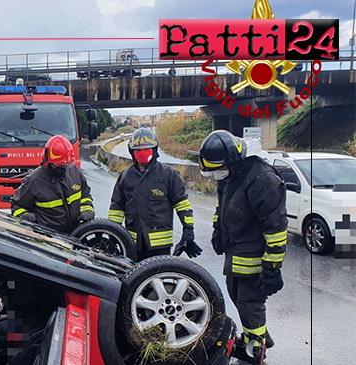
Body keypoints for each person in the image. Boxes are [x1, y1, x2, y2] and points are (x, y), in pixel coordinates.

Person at [199, 130, 287, 364]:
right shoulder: (230, 176)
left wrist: (273, 267)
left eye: (219, 167)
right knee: (236, 297)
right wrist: (217, 230)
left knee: (250, 304)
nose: (217, 173)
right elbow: (222, 207)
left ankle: (255, 351)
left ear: (233, 159)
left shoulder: (263, 180)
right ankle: (256, 337)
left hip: (255, 257)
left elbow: (276, 228)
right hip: (235, 253)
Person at [109, 128, 201, 261]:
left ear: (155, 150)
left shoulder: (169, 175)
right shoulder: (125, 177)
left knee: (158, 280)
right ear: (131, 152)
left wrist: (188, 230)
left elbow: (182, 205)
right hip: (133, 244)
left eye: (147, 149)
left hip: (160, 247)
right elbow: (116, 209)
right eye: (138, 150)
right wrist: (113, 236)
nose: (142, 153)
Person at [11, 135, 94, 234]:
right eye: (59, 165)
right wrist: (24, 216)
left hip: (75, 234)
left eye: (66, 165)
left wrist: (87, 209)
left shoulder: (74, 172)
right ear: (49, 162)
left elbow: (85, 194)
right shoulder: (34, 181)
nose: (64, 168)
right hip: (48, 240)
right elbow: (17, 205)